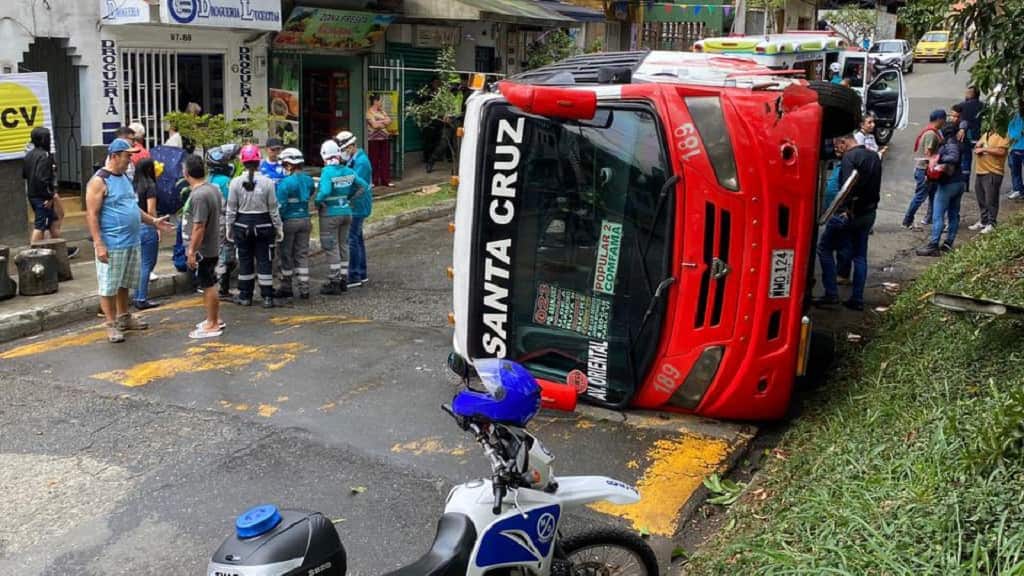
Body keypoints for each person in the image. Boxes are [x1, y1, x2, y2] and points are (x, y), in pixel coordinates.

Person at [85, 138, 173, 343]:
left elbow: (133, 208)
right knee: (108, 285)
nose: (130, 160)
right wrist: (99, 243)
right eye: (127, 156)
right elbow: (91, 215)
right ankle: (110, 324)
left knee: (125, 282)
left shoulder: (124, 177)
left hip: (131, 241)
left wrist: (153, 221)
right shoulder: (99, 181)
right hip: (112, 242)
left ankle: (124, 316)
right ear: (114, 156)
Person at [815, 132, 882, 312]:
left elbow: (845, 189)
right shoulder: (874, 156)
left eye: (837, 146)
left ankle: (831, 294)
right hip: (868, 213)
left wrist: (842, 211)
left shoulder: (849, 158)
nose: (837, 150)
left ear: (843, 141)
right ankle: (857, 299)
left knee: (824, 249)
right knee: (860, 256)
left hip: (848, 214)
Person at [226, 144, 283, 308]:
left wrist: (229, 228)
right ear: (259, 161)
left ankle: (245, 296)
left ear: (242, 162)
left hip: (242, 225)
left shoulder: (235, 183)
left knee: (245, 261)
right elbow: (273, 209)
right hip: (264, 225)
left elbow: (231, 209)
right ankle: (267, 297)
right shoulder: (268, 183)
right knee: (265, 260)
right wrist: (279, 228)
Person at [181, 155, 225, 339]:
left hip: (204, 249)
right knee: (209, 282)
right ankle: (213, 318)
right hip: (210, 245)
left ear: (186, 172)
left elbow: (199, 226)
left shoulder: (200, 195)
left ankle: (213, 323)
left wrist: (192, 251)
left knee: (208, 284)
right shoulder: (211, 189)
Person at [316, 139, 368, 295]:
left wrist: (318, 201)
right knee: (343, 245)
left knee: (331, 247)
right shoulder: (348, 171)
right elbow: (363, 186)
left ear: (324, 156)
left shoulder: (327, 172)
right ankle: (344, 278)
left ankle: (334, 281)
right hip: (346, 212)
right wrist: (350, 198)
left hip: (331, 214)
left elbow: (324, 191)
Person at [23, 126, 77, 258]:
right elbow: (42, 178)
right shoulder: (44, 156)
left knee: (53, 221)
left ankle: (60, 250)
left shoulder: (29, 155)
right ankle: (32, 255)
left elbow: (25, 174)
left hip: (33, 194)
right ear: (43, 139)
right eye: (48, 138)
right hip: (43, 196)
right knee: (40, 225)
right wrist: (49, 196)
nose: (49, 140)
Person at [917, 121, 965, 256]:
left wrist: (938, 158)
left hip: (948, 185)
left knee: (938, 215)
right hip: (959, 183)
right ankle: (948, 243)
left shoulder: (950, 145)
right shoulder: (959, 144)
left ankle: (933, 245)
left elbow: (953, 158)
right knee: (953, 214)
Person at [274, 148, 314, 299]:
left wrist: (277, 224)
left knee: (286, 255)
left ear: (290, 165)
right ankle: (304, 289)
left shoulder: (285, 184)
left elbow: (280, 206)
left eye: (284, 165)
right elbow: (309, 194)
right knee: (302, 254)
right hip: (305, 220)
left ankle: (286, 287)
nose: (284, 167)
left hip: (289, 222)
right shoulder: (309, 180)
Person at [336, 130, 373, 287]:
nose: (343, 153)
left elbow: (353, 184)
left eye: (344, 150)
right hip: (357, 204)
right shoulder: (355, 160)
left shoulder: (361, 162)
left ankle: (354, 275)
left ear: (351, 146)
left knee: (352, 239)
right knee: (357, 239)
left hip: (358, 205)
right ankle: (361, 273)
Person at [206, 143, 241, 300]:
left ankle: (220, 287)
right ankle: (222, 289)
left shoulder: (209, 180)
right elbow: (233, 202)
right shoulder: (226, 182)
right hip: (223, 220)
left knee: (218, 253)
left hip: (211, 221)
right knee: (226, 255)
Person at [903, 109, 946, 228]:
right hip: (925, 170)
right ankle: (908, 219)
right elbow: (928, 153)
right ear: (939, 120)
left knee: (933, 194)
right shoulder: (931, 134)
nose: (944, 122)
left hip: (925, 169)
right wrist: (932, 169)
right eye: (943, 120)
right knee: (920, 196)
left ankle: (930, 217)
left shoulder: (930, 131)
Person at [132, 158, 162, 310]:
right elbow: (151, 210)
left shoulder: (133, 185)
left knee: (140, 263)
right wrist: (157, 226)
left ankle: (137, 294)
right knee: (148, 263)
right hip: (147, 226)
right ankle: (141, 297)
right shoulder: (150, 186)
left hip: (135, 227)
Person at [967, 128, 1010, 234]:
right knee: (981, 198)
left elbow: (1001, 151)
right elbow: (980, 144)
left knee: (991, 199)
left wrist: (984, 150)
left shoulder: (1002, 135)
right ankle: (983, 220)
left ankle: (992, 223)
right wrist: (978, 146)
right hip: (980, 171)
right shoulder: (986, 134)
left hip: (993, 172)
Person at [365, 94, 393, 187]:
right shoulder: (369, 112)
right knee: (374, 160)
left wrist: (378, 121)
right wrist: (383, 122)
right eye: (380, 100)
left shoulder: (382, 111)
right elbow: (374, 125)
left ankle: (386, 180)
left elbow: (389, 121)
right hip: (373, 139)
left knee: (385, 159)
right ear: (375, 101)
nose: (381, 103)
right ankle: (374, 181)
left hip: (385, 138)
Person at [951, 103, 973, 195]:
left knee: (965, 168)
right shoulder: (950, 124)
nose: (954, 118)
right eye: (952, 115)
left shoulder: (964, 124)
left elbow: (965, 124)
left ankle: (965, 187)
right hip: (955, 150)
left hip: (965, 150)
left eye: (956, 116)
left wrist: (962, 129)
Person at [1009, 99, 1024, 199]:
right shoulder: (1014, 115)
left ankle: (1018, 189)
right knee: (1015, 169)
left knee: (1015, 170)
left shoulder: (1014, 115)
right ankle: (1018, 189)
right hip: (1015, 146)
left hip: (1016, 146)